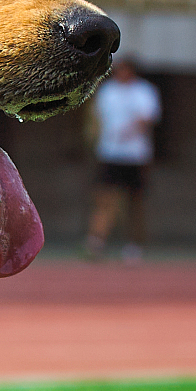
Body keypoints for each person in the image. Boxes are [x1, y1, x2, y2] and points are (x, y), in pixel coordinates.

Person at [83, 56, 160, 262]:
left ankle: (134, 246)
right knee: (105, 198)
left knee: (135, 202)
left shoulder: (144, 91)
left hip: (136, 156)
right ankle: (96, 242)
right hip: (110, 153)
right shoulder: (107, 92)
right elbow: (97, 120)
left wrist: (131, 130)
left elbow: (147, 117)